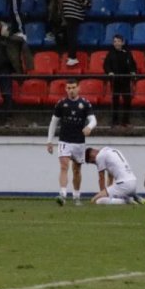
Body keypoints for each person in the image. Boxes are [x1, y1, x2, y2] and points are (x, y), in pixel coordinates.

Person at [47, 78, 97, 206]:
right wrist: (49, 141)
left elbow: (93, 120)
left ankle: (76, 196)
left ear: (78, 88)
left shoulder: (85, 104)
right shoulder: (61, 104)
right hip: (65, 140)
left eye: (73, 87)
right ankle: (63, 195)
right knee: (64, 166)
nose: (71, 90)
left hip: (79, 142)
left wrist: (89, 127)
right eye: (68, 88)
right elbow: (54, 122)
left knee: (76, 170)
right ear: (66, 89)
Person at [103, 34, 137, 129]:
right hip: (115, 81)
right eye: (114, 41)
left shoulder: (128, 53)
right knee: (115, 102)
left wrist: (133, 72)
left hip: (126, 80)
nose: (116, 43)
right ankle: (114, 122)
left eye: (118, 41)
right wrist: (109, 72)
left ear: (123, 42)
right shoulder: (110, 54)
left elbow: (133, 65)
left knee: (127, 101)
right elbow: (106, 65)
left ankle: (126, 121)